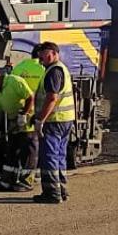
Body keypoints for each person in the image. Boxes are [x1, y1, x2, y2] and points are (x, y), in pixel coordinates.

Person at [31, 40, 75, 203]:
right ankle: (61, 190)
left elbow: (52, 98)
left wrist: (40, 120)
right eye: (41, 56)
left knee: (49, 156)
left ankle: (51, 192)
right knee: (59, 156)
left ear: (55, 53)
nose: (42, 59)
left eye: (45, 55)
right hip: (65, 120)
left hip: (53, 121)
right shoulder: (60, 69)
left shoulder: (53, 71)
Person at [0, 66, 35, 191]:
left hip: (27, 122)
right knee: (11, 150)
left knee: (28, 151)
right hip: (13, 122)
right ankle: (7, 181)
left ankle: (26, 181)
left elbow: (30, 97)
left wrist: (24, 114)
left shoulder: (14, 81)